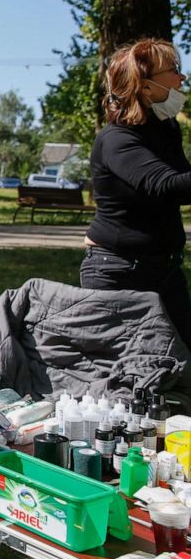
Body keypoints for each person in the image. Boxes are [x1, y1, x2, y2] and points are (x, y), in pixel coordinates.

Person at [81, 38, 191, 348]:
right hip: (118, 272)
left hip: (165, 269)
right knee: (124, 376)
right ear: (144, 87)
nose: (181, 78)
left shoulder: (166, 128)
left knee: (181, 366)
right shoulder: (117, 140)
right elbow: (166, 186)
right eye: (174, 70)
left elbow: (183, 186)